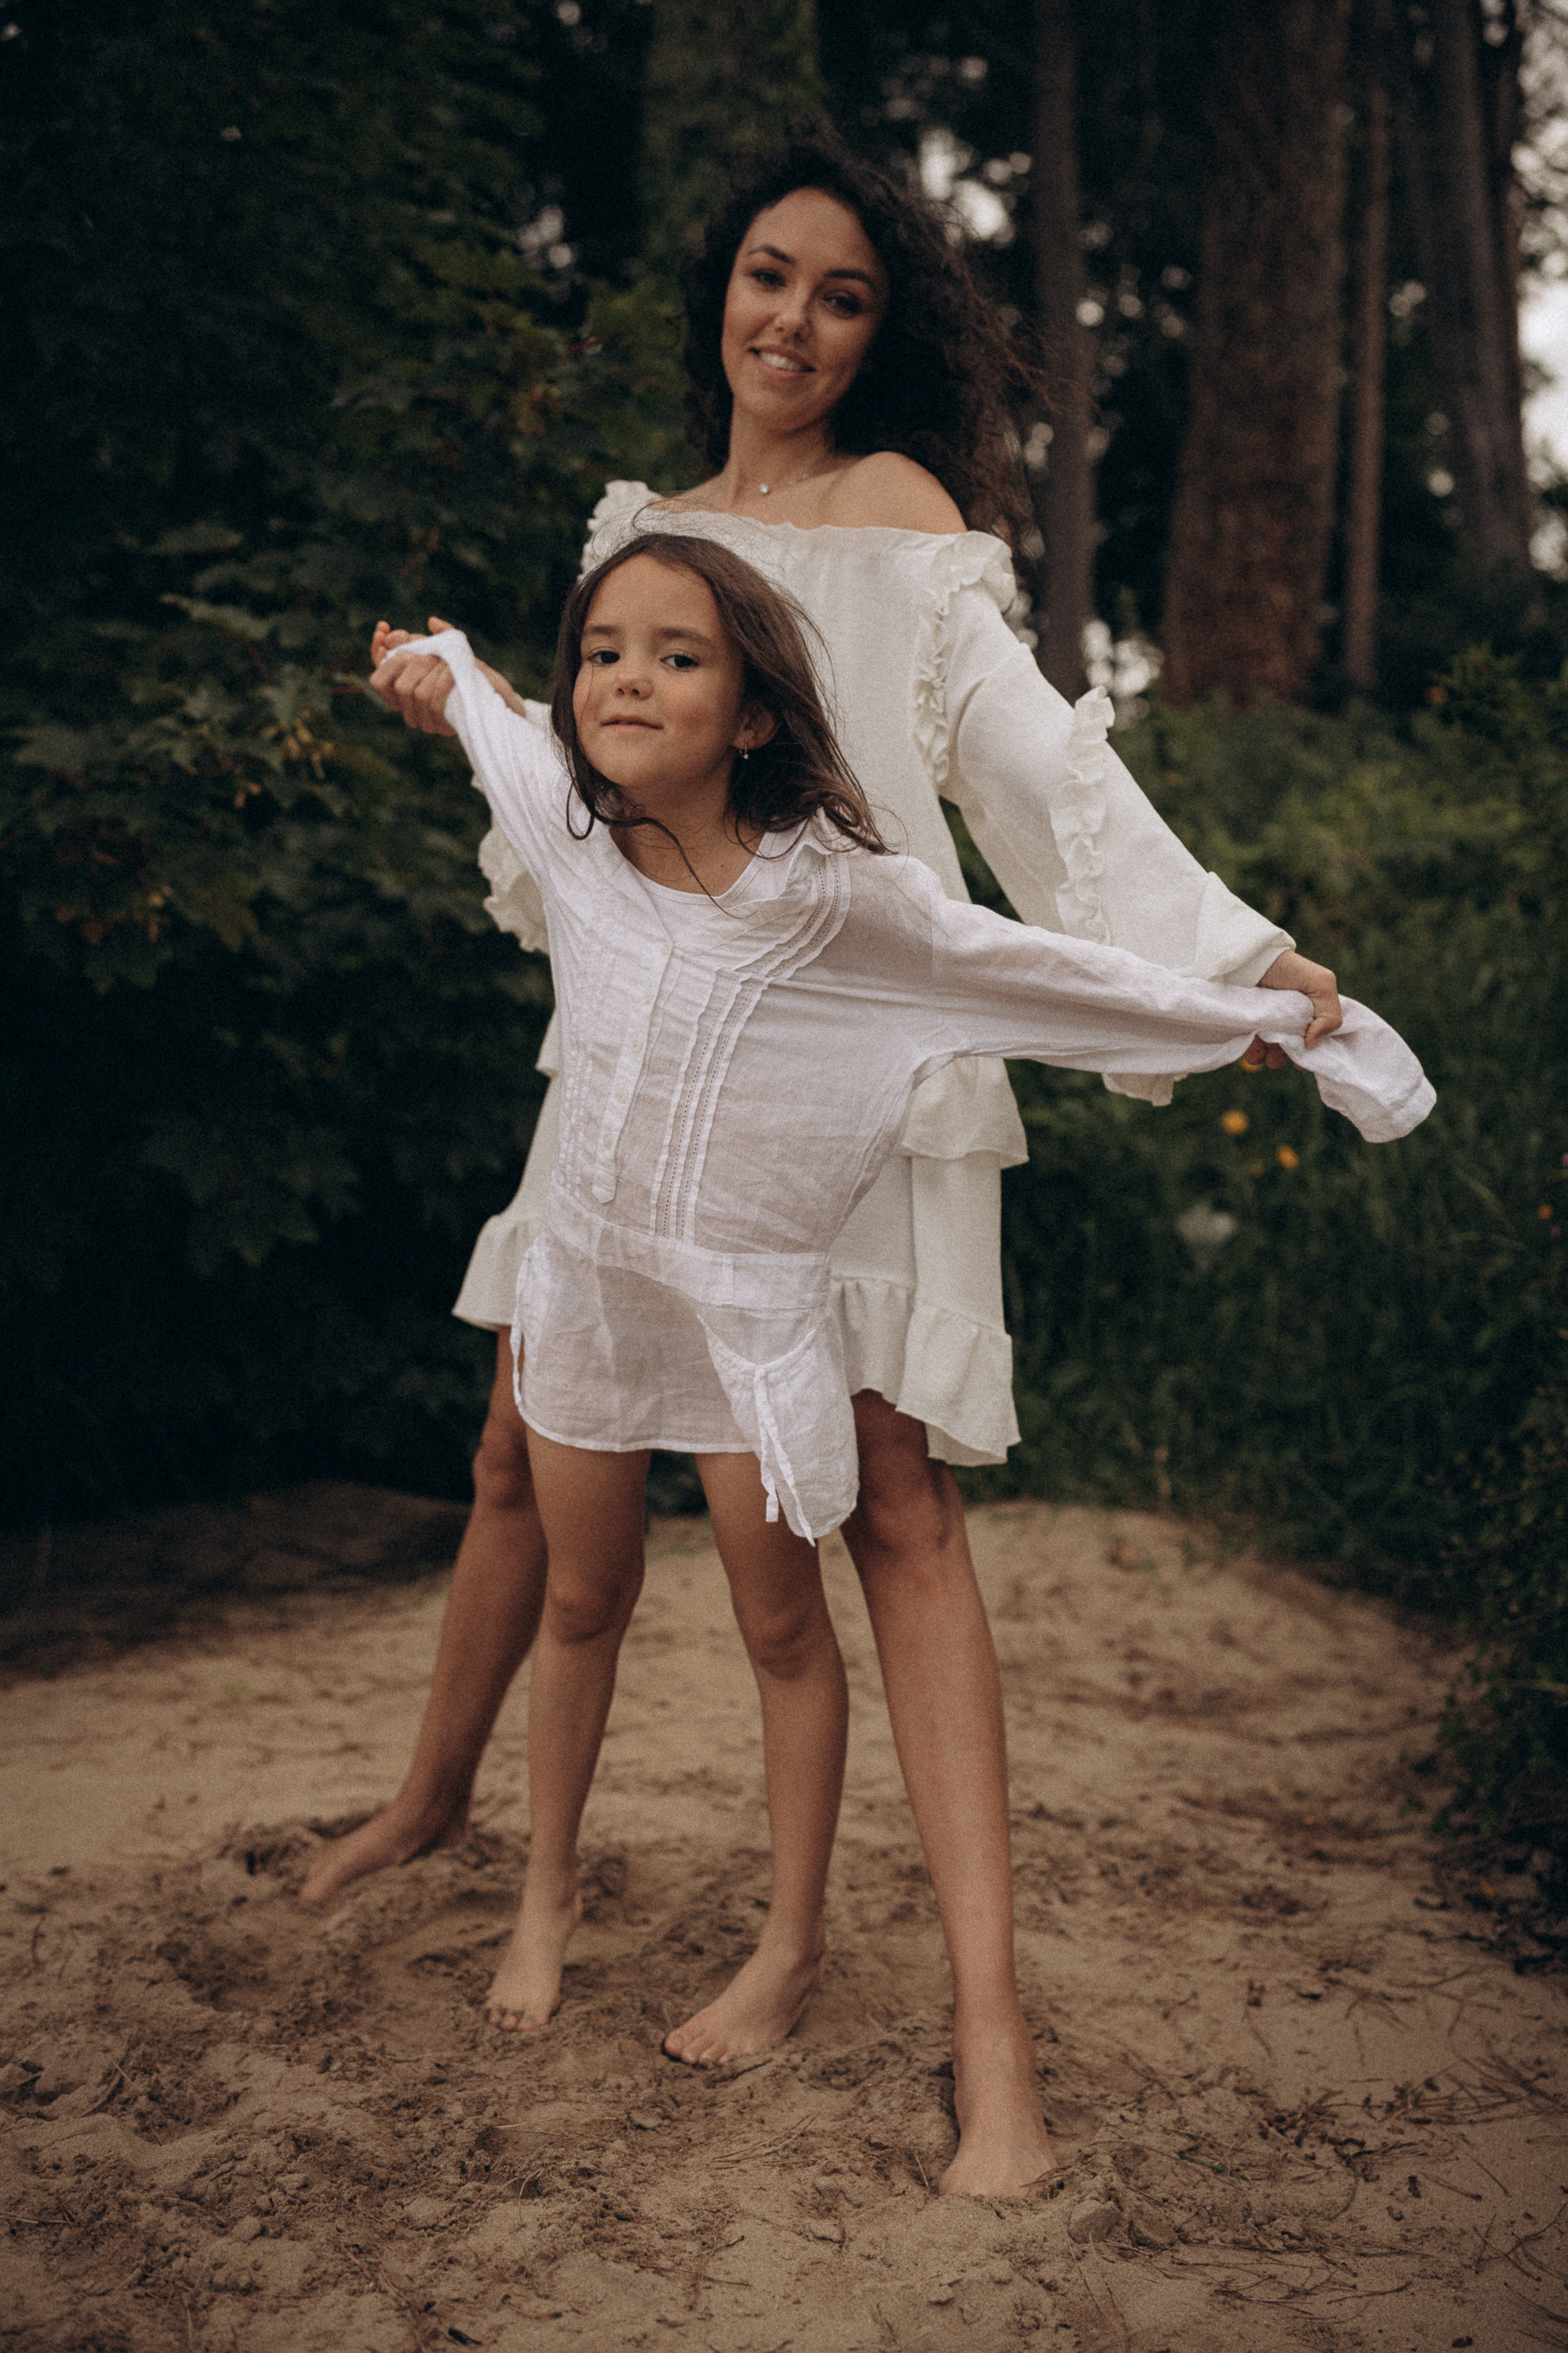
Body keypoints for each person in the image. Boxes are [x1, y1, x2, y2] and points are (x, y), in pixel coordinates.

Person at [301, 128, 1345, 2199]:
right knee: (520, 1438)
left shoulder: (908, 527)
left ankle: (991, 2032)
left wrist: (1223, 956)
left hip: (855, 1057)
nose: (791, 320)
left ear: (886, 334)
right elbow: (590, 779)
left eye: (842, 294)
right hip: (640, 1054)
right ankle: (433, 1800)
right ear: (722, 284)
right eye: (767, 275)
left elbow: (1051, 769)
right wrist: (470, 702)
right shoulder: (648, 522)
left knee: (897, 1510)